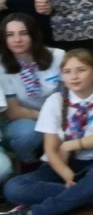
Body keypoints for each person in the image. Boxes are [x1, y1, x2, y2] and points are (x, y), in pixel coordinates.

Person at [0, 49, 93, 215]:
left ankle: (33, 214)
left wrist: (71, 144)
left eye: (81, 70)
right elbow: (50, 150)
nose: (74, 76)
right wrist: (67, 175)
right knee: (13, 188)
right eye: (67, 72)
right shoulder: (55, 101)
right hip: (60, 165)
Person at [0, 14, 64, 167]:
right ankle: (29, 164)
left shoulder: (58, 56)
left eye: (23, 33)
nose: (17, 40)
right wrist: (49, 120)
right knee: (27, 133)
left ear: (34, 35)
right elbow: (14, 112)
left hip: (60, 115)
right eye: (10, 35)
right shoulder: (1, 65)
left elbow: (70, 94)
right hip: (24, 121)